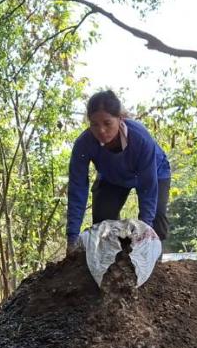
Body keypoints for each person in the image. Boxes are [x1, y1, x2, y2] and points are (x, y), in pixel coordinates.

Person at [66, 89, 172, 249]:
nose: (101, 130)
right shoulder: (84, 144)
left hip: (154, 172)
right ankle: (113, 262)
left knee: (156, 219)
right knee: (103, 222)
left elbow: (148, 188)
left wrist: (145, 231)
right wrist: (72, 237)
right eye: (94, 124)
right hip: (112, 176)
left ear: (120, 118)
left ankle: (152, 261)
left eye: (107, 123)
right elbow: (77, 188)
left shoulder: (141, 139)